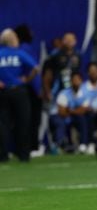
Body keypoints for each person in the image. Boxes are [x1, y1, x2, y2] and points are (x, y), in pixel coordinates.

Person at [0, 29, 39, 162]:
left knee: (2, 124)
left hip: (2, 92)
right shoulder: (19, 54)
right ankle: (23, 154)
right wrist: (27, 79)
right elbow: (36, 68)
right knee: (23, 122)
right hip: (18, 91)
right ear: (13, 40)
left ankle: (3, 155)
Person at [14, 24, 44, 157]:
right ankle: (32, 147)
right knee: (31, 119)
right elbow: (34, 70)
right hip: (28, 89)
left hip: (13, 88)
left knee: (15, 120)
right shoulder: (25, 49)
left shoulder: (10, 50)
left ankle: (15, 148)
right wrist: (38, 89)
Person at [51, 72, 90, 154]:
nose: (76, 82)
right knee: (60, 122)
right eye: (74, 80)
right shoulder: (64, 93)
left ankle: (83, 144)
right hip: (60, 116)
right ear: (71, 82)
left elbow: (84, 109)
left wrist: (70, 110)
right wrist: (75, 111)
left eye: (77, 80)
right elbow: (61, 112)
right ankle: (59, 145)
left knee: (83, 119)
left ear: (81, 81)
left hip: (73, 115)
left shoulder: (85, 93)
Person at [42, 32, 82, 103]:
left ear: (75, 41)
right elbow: (47, 74)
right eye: (67, 39)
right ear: (63, 41)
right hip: (57, 89)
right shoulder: (55, 55)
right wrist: (48, 91)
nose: (69, 42)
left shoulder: (78, 55)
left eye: (71, 40)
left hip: (73, 90)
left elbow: (79, 74)